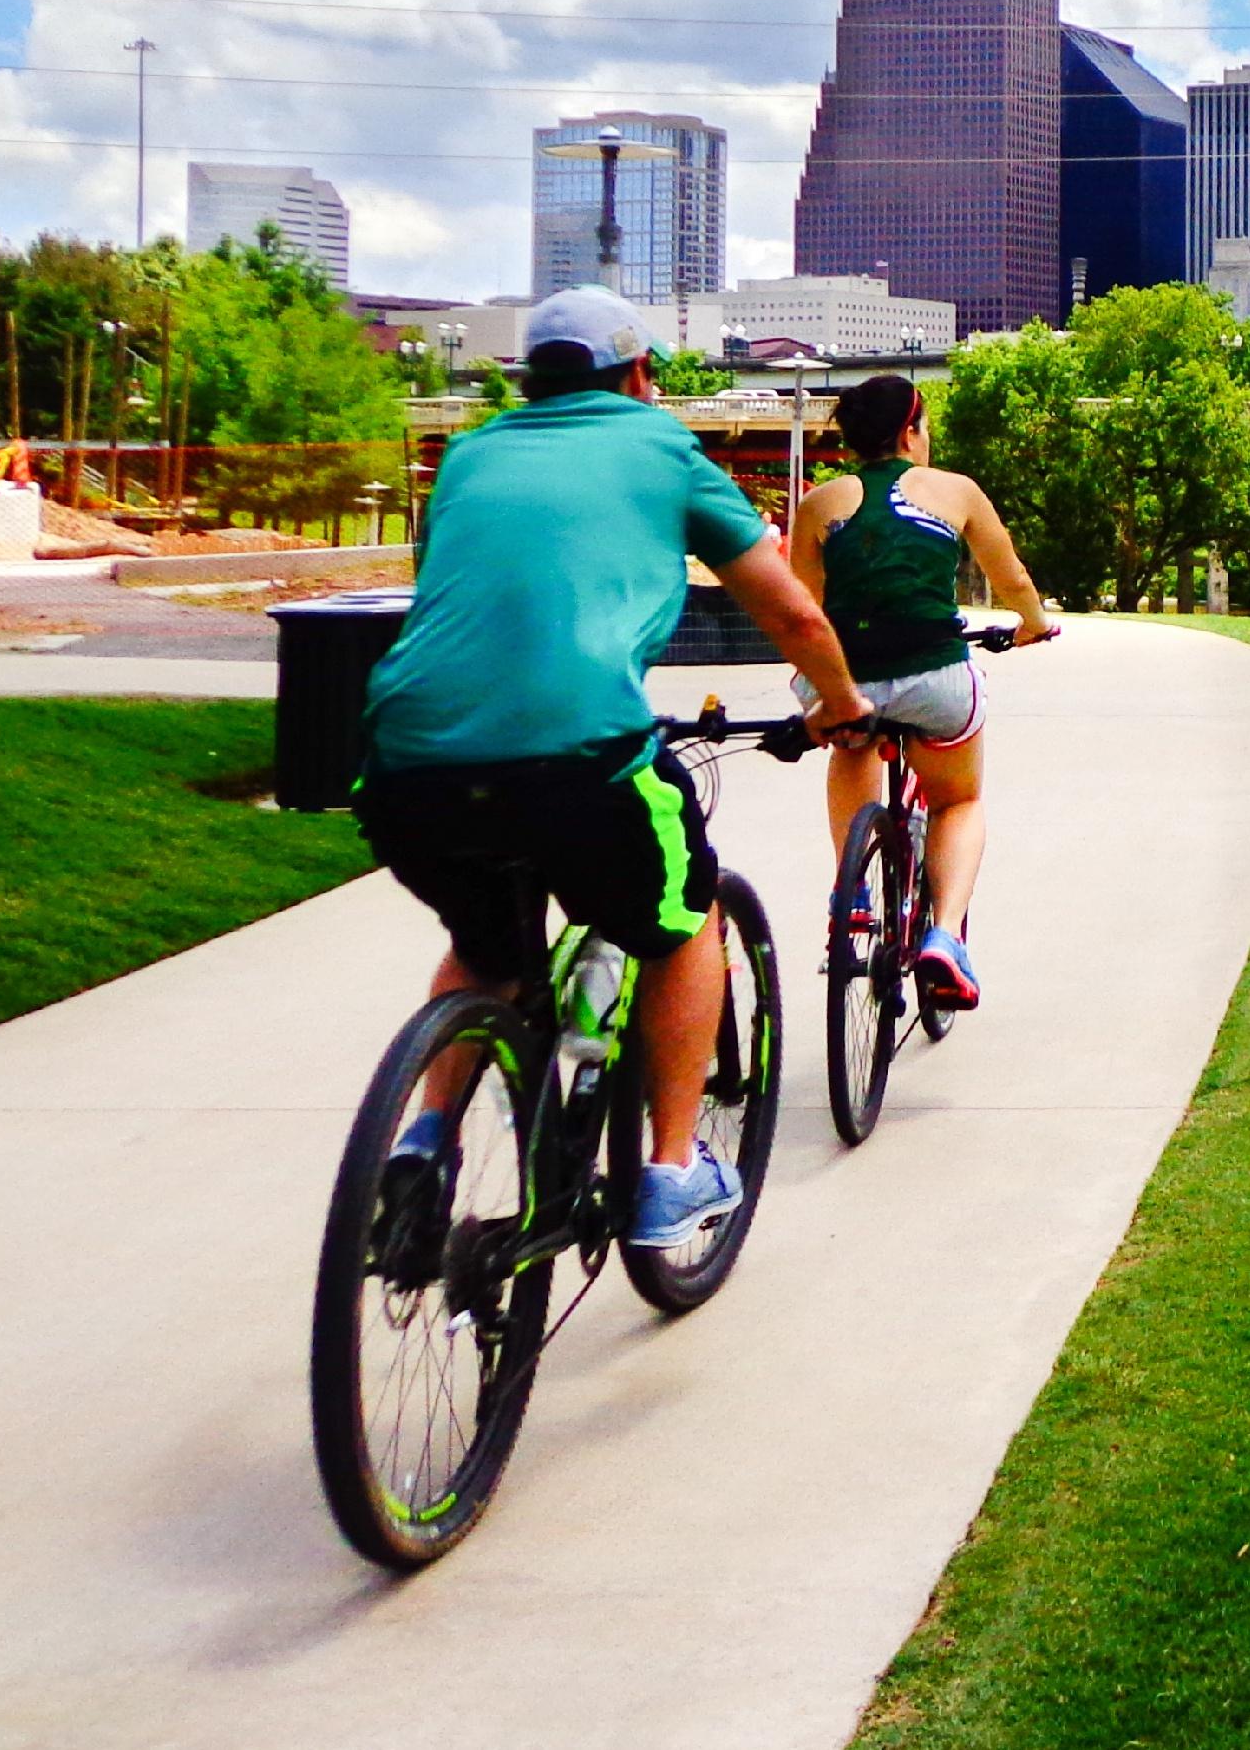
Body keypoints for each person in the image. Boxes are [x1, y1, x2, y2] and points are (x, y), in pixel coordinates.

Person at [355, 288, 872, 1253]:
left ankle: (423, 1142)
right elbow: (794, 613)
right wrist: (841, 705)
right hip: (578, 756)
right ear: (641, 377)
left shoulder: (468, 454)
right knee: (685, 917)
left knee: (489, 946)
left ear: (531, 381)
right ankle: (669, 1171)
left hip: (405, 762)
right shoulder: (663, 448)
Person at [785, 371, 1050, 1010]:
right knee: (958, 801)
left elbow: (804, 605)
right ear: (911, 429)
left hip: (849, 680)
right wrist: (1034, 626)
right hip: (934, 675)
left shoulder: (819, 504)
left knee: (852, 743)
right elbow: (1009, 576)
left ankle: (850, 897)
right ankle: (942, 938)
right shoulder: (955, 491)